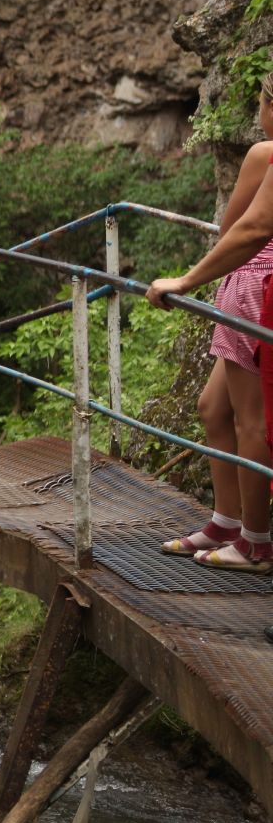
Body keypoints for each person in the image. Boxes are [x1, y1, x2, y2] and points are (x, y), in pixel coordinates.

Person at [148, 73, 273, 576]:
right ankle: (226, 521)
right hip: (248, 291)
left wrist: (186, 279)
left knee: (253, 422)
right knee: (212, 407)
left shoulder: (265, 156)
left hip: (257, 291)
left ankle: (256, 543)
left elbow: (243, 229)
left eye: (261, 100)